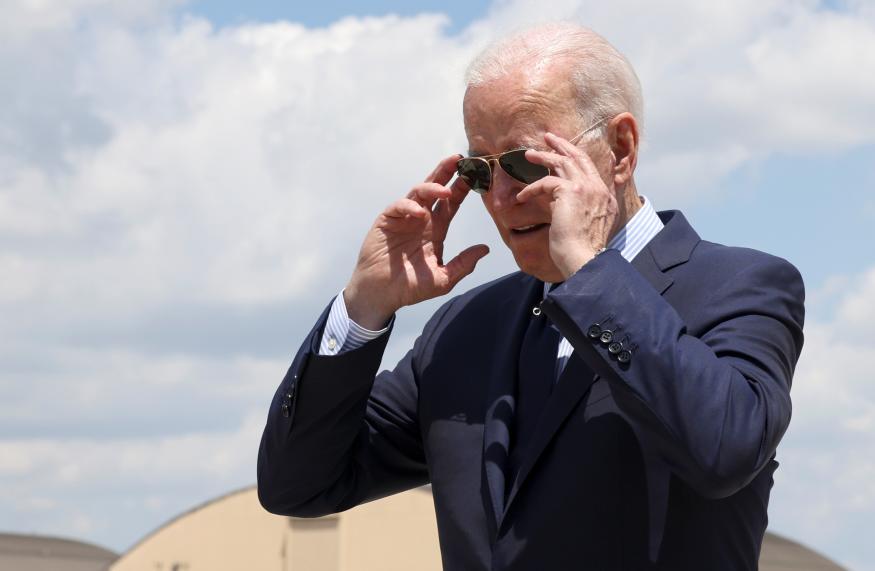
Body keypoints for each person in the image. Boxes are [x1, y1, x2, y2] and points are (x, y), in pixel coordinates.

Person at [257, 22, 805, 570]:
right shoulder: (466, 327)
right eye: (479, 171)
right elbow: (299, 485)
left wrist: (591, 277)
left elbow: (724, 450)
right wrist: (364, 307)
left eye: (523, 162)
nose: (500, 197)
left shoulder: (741, 286)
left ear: (620, 148)